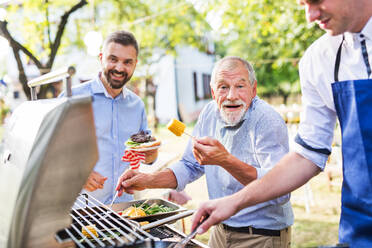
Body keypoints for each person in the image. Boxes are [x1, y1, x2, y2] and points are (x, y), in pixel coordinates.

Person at [191, 1, 372, 247]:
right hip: (360, 226)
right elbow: (307, 155)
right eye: (304, 4)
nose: (310, 16)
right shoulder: (318, 60)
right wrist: (233, 201)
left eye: (316, 1)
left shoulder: (266, 117)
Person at [117, 56, 293, 248]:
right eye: (223, 87)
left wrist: (225, 160)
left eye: (240, 86)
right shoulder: (210, 113)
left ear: (254, 89)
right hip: (220, 230)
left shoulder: (267, 121)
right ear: (212, 91)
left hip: (261, 235)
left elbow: (280, 191)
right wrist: (148, 180)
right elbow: (189, 165)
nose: (231, 95)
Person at [59, 30, 157, 205]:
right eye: (113, 59)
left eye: (127, 62)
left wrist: (151, 154)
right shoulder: (71, 98)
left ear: (136, 64)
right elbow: (50, 153)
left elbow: (146, 155)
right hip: (80, 210)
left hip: (123, 209)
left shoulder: (137, 105)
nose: (120, 68)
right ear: (101, 58)